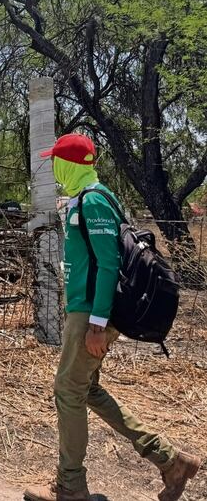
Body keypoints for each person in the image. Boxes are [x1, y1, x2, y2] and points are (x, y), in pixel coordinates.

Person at [24, 134, 201, 501]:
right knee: (85, 389)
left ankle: (70, 485)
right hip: (87, 310)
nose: (53, 168)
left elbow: (108, 264)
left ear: (69, 164)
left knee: (68, 391)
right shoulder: (88, 198)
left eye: (56, 161)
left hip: (91, 312)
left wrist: (98, 323)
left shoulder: (93, 201)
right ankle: (171, 461)